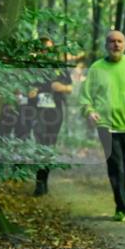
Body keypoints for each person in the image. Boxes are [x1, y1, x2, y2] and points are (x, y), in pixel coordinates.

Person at [81, 30, 125, 221]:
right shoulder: (96, 68)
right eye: (112, 41)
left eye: (119, 41)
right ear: (106, 45)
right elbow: (85, 96)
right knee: (116, 167)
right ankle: (121, 207)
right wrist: (89, 111)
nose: (116, 44)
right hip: (106, 124)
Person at [28, 37, 73, 195]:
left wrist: (62, 87)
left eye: (49, 49)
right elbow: (22, 88)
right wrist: (31, 92)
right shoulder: (32, 67)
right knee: (40, 144)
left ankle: (44, 181)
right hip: (37, 112)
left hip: (55, 113)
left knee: (49, 146)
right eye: (42, 49)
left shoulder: (59, 67)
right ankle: (39, 184)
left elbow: (70, 88)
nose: (46, 52)